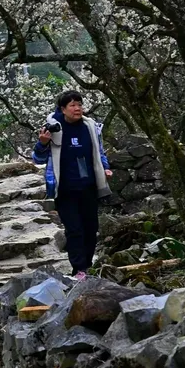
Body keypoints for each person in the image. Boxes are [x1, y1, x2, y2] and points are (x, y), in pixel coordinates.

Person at [33, 89, 113, 280]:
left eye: (80, 104)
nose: (78, 109)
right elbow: (38, 158)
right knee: (74, 229)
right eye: (73, 105)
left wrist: (105, 168)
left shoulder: (90, 127)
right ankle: (79, 269)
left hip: (88, 186)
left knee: (91, 228)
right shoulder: (53, 129)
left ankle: (87, 264)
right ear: (63, 109)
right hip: (65, 189)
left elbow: (99, 152)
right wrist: (42, 143)